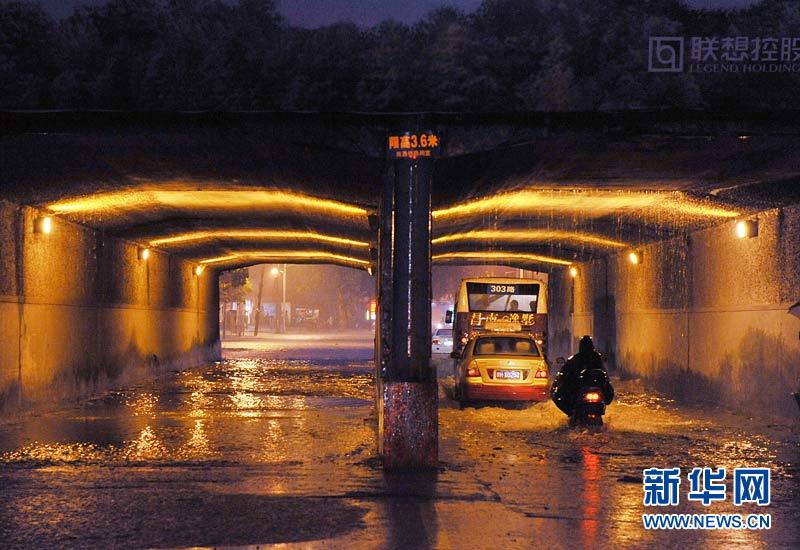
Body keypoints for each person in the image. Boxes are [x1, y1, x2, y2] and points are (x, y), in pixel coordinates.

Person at [551, 335, 613, 416]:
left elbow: (565, 373)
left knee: (558, 396)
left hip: (588, 390)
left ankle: (572, 413)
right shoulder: (596, 358)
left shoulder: (577, 358)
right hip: (585, 391)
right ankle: (573, 414)